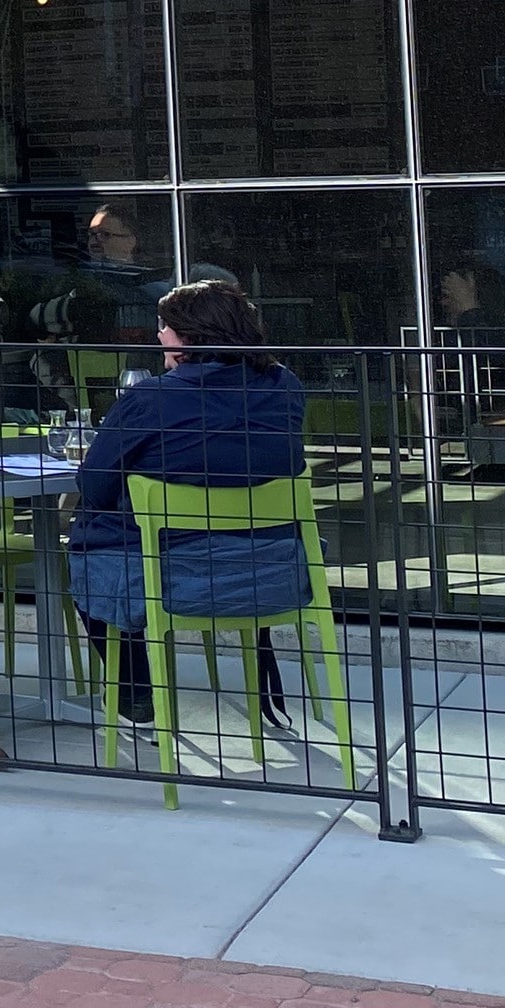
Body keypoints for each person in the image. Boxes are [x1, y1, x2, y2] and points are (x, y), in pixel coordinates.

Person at [68, 278, 312, 732]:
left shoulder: (150, 398)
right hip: (270, 568)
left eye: (165, 326)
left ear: (189, 336)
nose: (159, 334)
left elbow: (95, 486)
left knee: (88, 544)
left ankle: (136, 695)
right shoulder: (284, 385)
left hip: (172, 578)